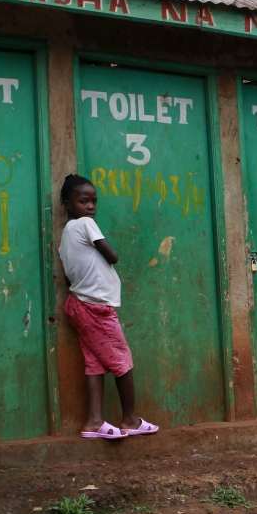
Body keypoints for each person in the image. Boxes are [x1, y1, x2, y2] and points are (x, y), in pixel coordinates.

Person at [58, 174, 158, 439]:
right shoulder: (85, 224)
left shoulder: (65, 235)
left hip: (78, 304)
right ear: (67, 204)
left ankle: (94, 422)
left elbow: (68, 275)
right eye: (83, 201)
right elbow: (112, 256)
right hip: (96, 307)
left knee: (95, 363)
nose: (90, 206)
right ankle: (130, 420)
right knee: (122, 360)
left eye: (93, 201)